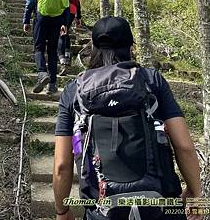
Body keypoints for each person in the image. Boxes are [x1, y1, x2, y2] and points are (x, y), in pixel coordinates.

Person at [53, 16, 201, 220]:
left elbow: (62, 165)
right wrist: (194, 193)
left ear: (93, 47)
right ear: (131, 47)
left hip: (103, 211)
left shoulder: (74, 92)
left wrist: (62, 211)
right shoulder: (151, 80)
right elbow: (184, 146)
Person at [23, 0, 71, 95]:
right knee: (52, 49)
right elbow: (66, 3)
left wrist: (26, 21)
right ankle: (52, 84)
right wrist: (65, 24)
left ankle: (42, 73)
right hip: (57, 18)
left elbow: (30, 2)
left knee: (39, 48)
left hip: (41, 17)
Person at [55, 0, 82, 66]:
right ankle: (67, 53)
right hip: (71, 9)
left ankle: (61, 57)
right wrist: (78, 16)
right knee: (66, 30)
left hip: (58, 7)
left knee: (60, 33)